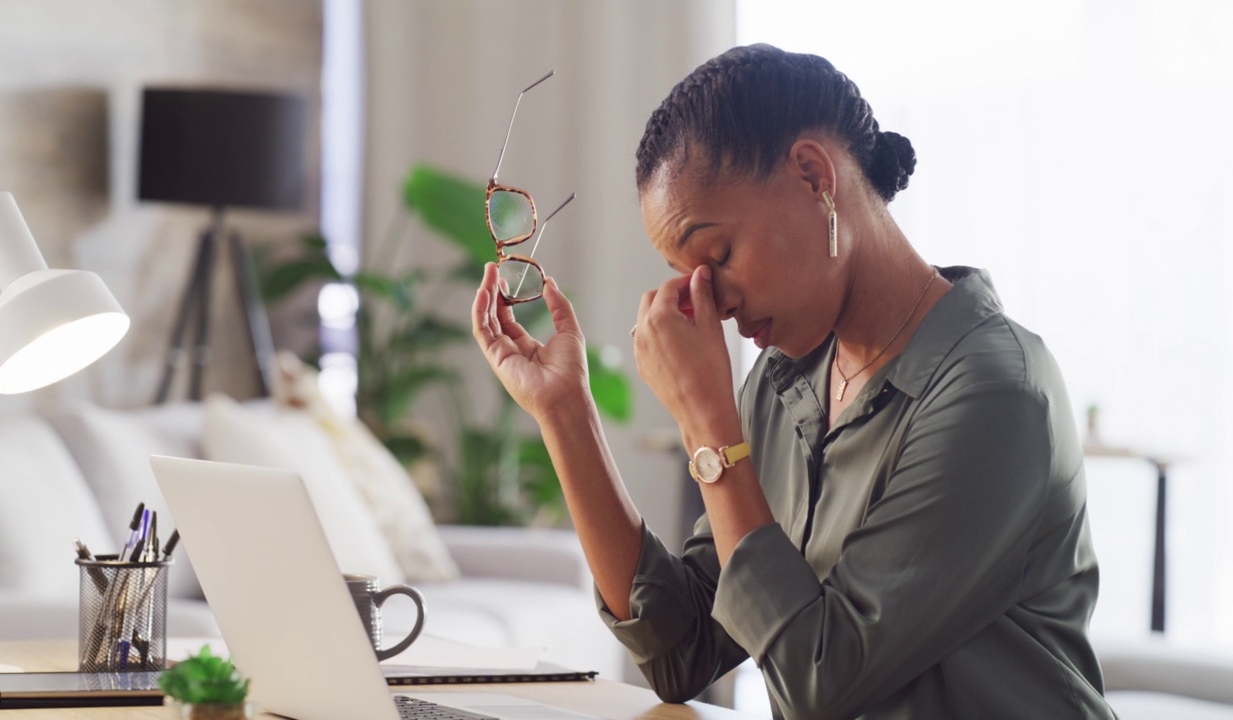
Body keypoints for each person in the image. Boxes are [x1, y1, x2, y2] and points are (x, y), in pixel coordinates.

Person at [470, 43, 1114, 720]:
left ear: (813, 177)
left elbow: (820, 684)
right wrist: (565, 412)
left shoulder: (995, 394)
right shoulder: (786, 384)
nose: (710, 301)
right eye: (686, 272)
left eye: (717, 255)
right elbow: (682, 648)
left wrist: (708, 424)